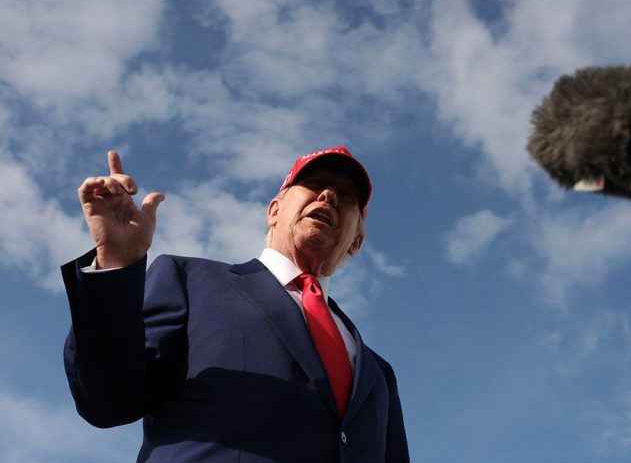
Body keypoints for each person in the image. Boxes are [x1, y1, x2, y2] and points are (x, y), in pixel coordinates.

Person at [61, 146, 409, 462]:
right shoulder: (189, 281)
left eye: (346, 196)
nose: (329, 195)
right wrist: (116, 263)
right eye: (314, 184)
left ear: (356, 243)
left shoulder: (378, 374)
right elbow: (108, 400)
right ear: (274, 210)